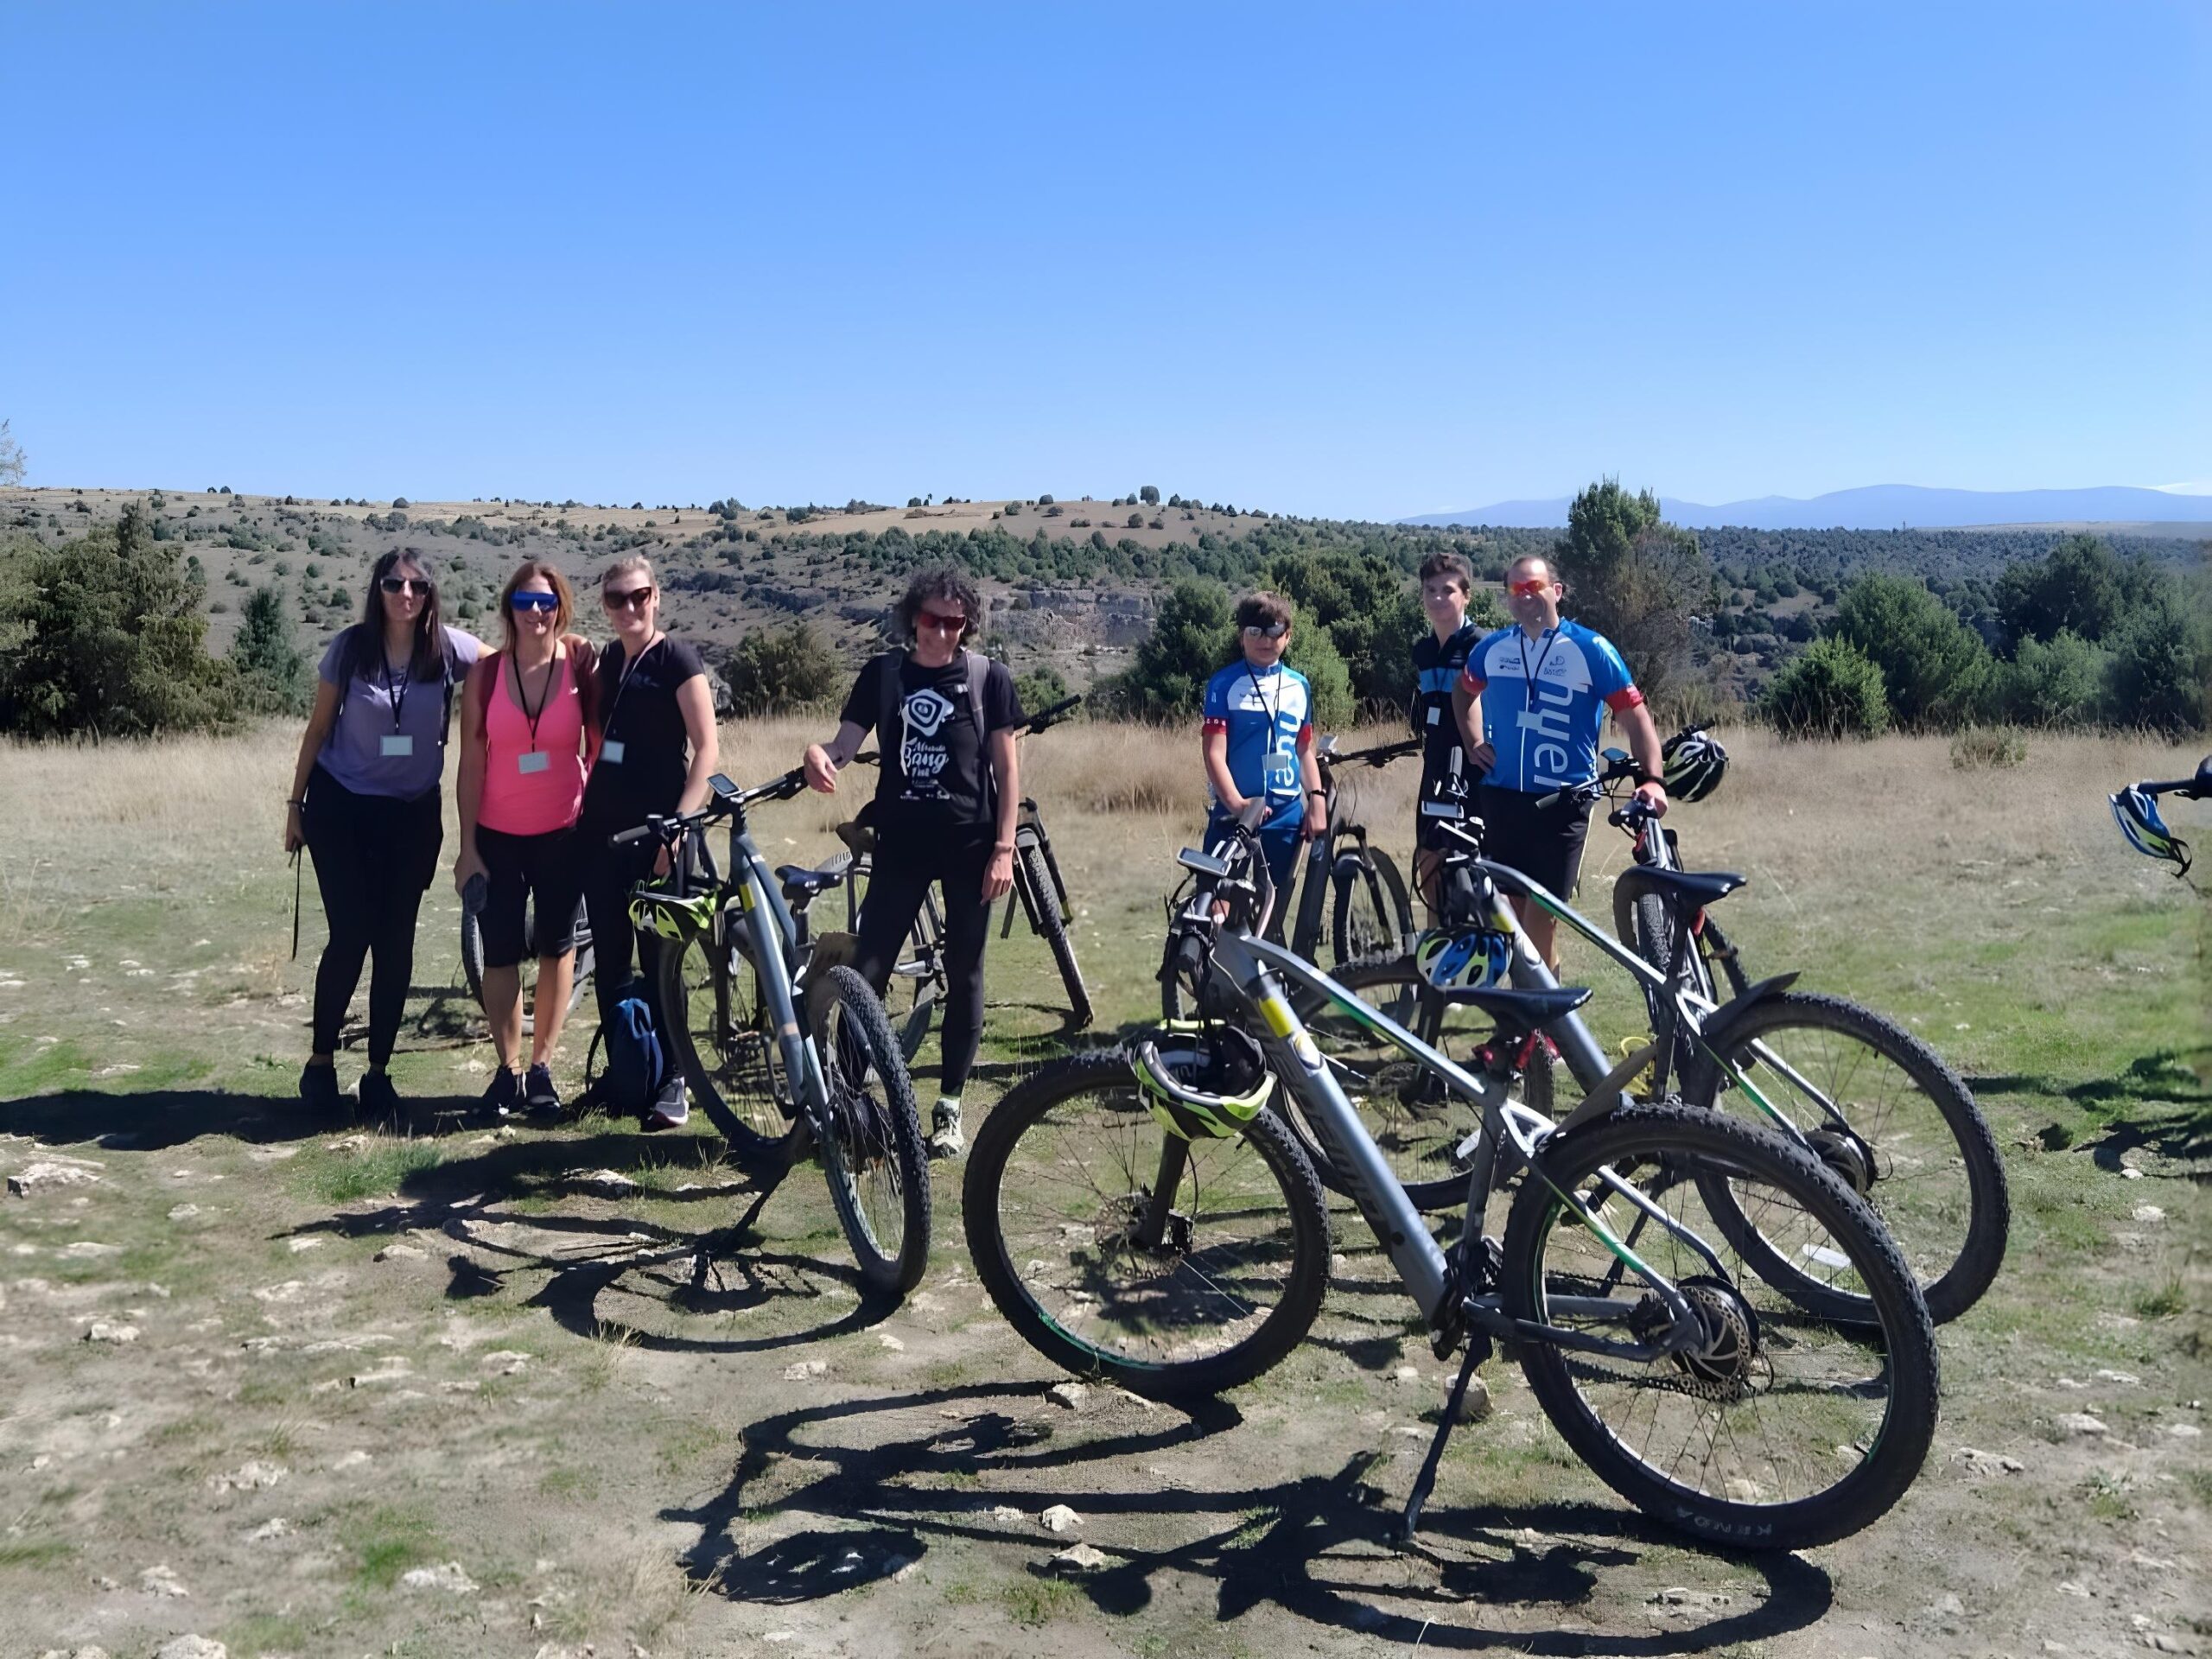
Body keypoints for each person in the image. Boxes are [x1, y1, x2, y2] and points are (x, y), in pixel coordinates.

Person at [801, 566, 1023, 1160]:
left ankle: (949, 1105)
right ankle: (847, 1097)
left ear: (967, 625)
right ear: (912, 618)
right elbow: (844, 746)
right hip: (901, 842)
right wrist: (817, 755)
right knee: (867, 969)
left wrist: (1004, 849)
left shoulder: (988, 679)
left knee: (966, 971)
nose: (942, 634)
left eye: (955, 623)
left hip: (972, 845)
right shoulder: (883, 674)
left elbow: (1007, 770)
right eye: (932, 620)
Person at [283, 549, 481, 1119]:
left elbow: (514, 658)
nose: (405, 595)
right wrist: (295, 806)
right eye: (394, 584)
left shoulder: (448, 649)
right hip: (341, 809)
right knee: (351, 935)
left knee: (396, 944)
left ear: (429, 594)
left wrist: (575, 655)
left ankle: (377, 1075)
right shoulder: (350, 648)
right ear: (378, 590)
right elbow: (318, 729)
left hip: (412, 817)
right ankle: (320, 1066)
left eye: (417, 586)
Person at [1452, 553, 1666, 969]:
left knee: (1541, 915)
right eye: (1515, 588)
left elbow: (1635, 717)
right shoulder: (1492, 650)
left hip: (1564, 801)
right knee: (1510, 917)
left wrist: (1653, 779)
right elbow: (1463, 695)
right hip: (1501, 795)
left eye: (1533, 586)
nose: (1524, 595)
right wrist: (1473, 739)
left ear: (1557, 591)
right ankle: (1526, 1026)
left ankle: (1542, 1030)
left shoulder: (1591, 649)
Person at [575, 555, 718, 1129]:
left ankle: (674, 1082)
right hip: (603, 835)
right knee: (611, 961)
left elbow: (707, 749)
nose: (629, 608)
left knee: (659, 963)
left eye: (639, 596)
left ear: (656, 596)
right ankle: (626, 1075)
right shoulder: (612, 659)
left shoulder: (677, 659)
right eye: (616, 599)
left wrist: (680, 826)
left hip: (659, 837)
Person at [454, 560, 599, 1120]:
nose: (535, 613)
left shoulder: (580, 666)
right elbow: (470, 764)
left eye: (546, 603)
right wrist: (467, 847)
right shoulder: (486, 675)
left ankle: (542, 1068)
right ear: (508, 610)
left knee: (558, 947)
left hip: (563, 831)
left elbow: (597, 744)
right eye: (524, 603)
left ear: (559, 608)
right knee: (499, 955)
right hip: (497, 834)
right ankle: (507, 1071)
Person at [1200, 591, 1325, 938]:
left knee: (1270, 915)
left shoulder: (1300, 686)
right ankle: (1216, 987)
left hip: (1286, 817)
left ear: (1288, 636)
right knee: (1219, 906)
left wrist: (1316, 799)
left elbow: (1304, 749)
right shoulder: (1224, 683)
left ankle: (1263, 987)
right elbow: (1213, 754)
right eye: (1255, 632)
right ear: (1242, 636)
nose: (1265, 641)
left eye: (1274, 632)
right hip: (1235, 814)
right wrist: (1238, 805)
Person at [1408, 551, 1485, 916]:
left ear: (1466, 595)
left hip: (1474, 771)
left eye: (1448, 590)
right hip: (1434, 768)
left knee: (1474, 864)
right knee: (1428, 855)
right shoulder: (1423, 650)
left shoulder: (1481, 647)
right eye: (1430, 590)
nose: (1438, 598)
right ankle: (1435, 944)